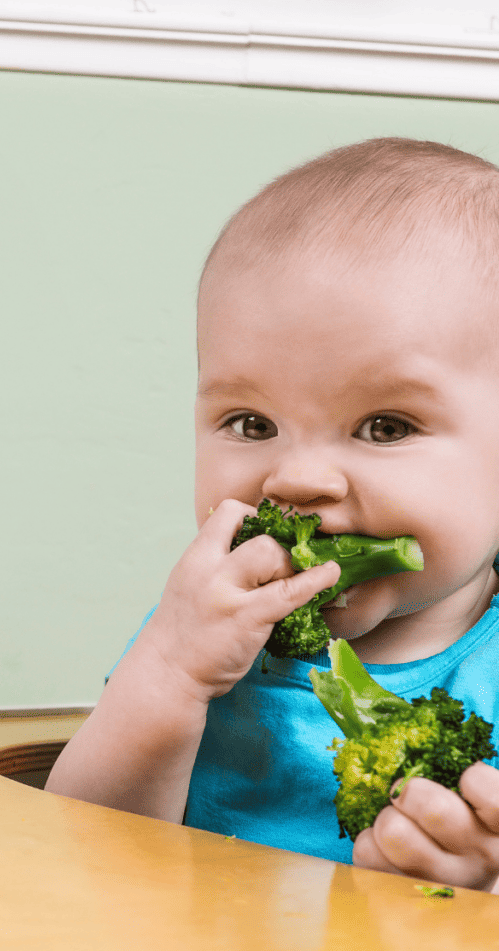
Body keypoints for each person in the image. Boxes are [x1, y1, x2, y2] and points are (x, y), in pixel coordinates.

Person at [46, 137, 499, 893]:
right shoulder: (199, 633)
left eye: (384, 426)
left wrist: (476, 886)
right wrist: (165, 676)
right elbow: (79, 855)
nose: (295, 477)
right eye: (251, 424)